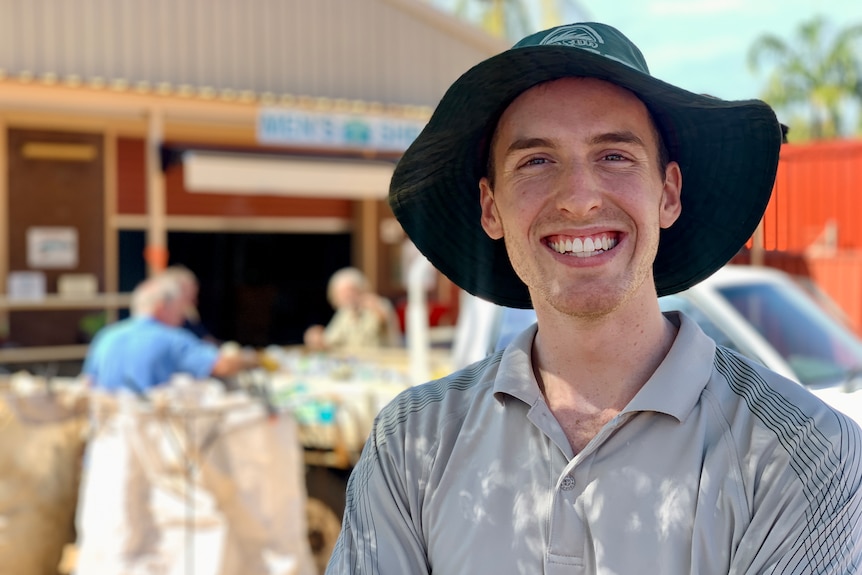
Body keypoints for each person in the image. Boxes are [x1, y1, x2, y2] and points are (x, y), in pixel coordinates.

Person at [326, 22, 862, 574]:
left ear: (668, 194)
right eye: (536, 161)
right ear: (491, 208)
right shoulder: (412, 440)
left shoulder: (804, 452)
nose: (579, 199)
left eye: (614, 156)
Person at [83, 272, 255, 393]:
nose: (185, 314)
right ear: (161, 306)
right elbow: (222, 366)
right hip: (152, 435)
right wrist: (255, 359)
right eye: (181, 307)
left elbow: (88, 382)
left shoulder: (106, 336)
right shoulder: (172, 338)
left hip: (106, 435)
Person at [304, 267, 401, 351]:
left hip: (384, 362)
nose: (346, 296)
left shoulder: (377, 305)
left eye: (350, 291)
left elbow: (384, 324)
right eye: (341, 293)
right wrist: (317, 338)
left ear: (361, 289)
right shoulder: (345, 312)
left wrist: (375, 308)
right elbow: (330, 340)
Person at [160, 264, 220, 344]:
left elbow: (206, 340)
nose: (195, 303)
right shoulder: (157, 328)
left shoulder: (189, 317)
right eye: (190, 298)